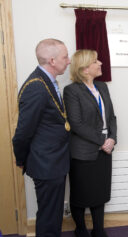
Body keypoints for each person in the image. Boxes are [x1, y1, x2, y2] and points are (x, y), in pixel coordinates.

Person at [12, 38, 71, 236]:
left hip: (54, 161)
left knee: (53, 216)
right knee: (48, 217)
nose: (69, 61)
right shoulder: (36, 87)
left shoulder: (47, 81)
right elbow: (22, 133)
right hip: (47, 164)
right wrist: (21, 159)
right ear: (52, 61)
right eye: (65, 57)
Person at [63, 50, 117, 237]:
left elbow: (111, 117)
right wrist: (103, 141)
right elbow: (76, 124)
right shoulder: (71, 91)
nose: (100, 63)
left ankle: (99, 230)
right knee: (80, 195)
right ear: (85, 69)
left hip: (105, 149)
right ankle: (80, 229)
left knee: (99, 192)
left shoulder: (102, 86)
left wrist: (112, 139)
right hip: (83, 151)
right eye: (96, 61)